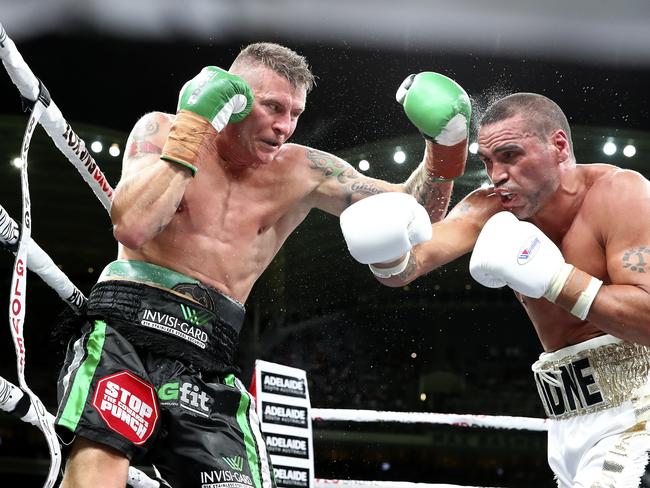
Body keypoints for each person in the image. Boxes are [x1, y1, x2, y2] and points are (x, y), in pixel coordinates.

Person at [54, 43, 472, 488]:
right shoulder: (164, 129)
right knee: (98, 471)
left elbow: (413, 217)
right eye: (273, 107)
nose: (285, 127)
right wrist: (195, 126)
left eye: (295, 113)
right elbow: (132, 226)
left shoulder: (304, 169)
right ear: (233, 98)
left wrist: (445, 153)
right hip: (127, 330)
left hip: (208, 356)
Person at [341, 92, 650, 487]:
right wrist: (383, 251)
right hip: (567, 428)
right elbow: (408, 266)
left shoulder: (620, 193)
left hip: (638, 414)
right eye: (488, 161)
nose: (496, 175)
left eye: (510, 155)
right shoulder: (491, 208)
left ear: (558, 146)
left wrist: (555, 278)